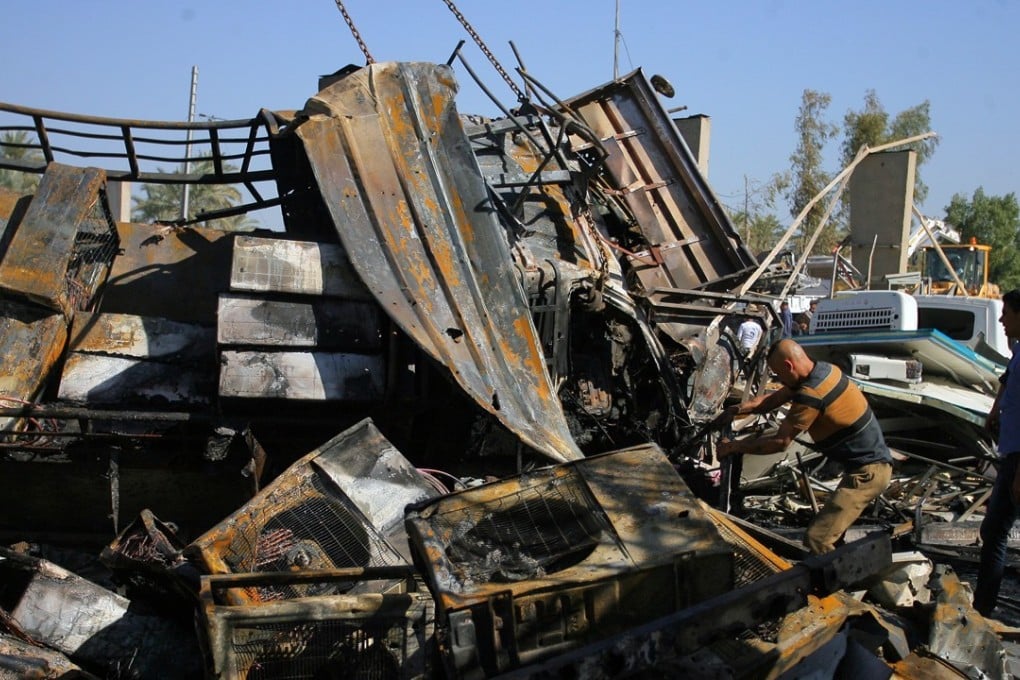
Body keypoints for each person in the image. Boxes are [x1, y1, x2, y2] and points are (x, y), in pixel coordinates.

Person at [717, 339, 894, 554]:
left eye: (778, 373)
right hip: (868, 468)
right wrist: (737, 409)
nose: (779, 379)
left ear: (789, 366)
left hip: (866, 476)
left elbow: (780, 443)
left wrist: (734, 447)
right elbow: (774, 399)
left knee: (818, 538)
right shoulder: (825, 371)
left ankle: (840, 586)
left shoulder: (811, 395)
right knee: (833, 537)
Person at [974, 288, 1020, 617]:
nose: (1001, 319)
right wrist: (995, 408)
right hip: (1011, 456)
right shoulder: (1018, 350)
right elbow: (1007, 377)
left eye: (1007, 313)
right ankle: (983, 608)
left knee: (995, 529)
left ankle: (985, 608)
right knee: (993, 530)